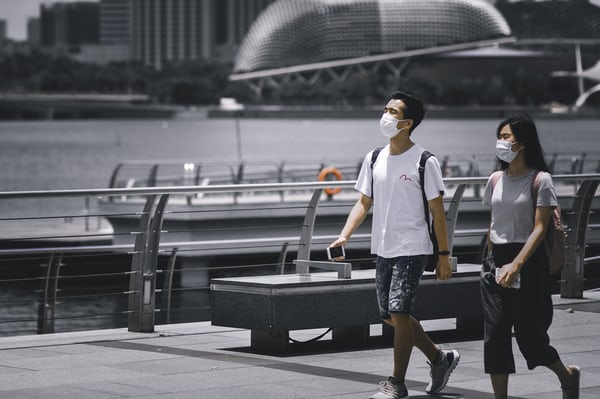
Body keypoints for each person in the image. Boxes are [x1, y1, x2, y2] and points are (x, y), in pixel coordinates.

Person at [329, 91, 460, 399]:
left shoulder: (425, 162)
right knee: (389, 316)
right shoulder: (374, 158)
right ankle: (440, 358)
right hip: (384, 247)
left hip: (413, 247)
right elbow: (363, 202)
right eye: (385, 109)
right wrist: (344, 235)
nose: (385, 116)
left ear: (407, 123)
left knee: (399, 314)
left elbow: (438, 213)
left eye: (393, 112)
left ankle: (397, 384)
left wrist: (443, 254)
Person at [480, 114, 580, 399]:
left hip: (528, 260)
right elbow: (494, 222)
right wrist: (490, 260)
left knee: (530, 337)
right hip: (496, 262)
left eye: (506, 137)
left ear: (522, 142)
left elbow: (540, 228)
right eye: (499, 136)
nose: (501, 142)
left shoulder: (541, 180)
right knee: (495, 336)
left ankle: (567, 374)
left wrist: (517, 264)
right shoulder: (495, 179)